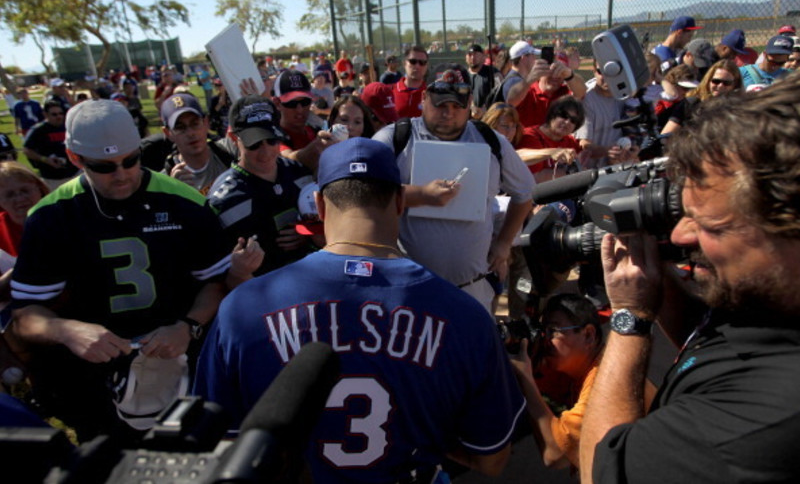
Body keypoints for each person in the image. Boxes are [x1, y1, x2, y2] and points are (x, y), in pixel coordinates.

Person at [194, 137, 525, 483]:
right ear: (400, 201)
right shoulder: (464, 315)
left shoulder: (243, 307)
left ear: (320, 206)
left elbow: (217, 442)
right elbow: (492, 459)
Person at [579, 71, 800, 483]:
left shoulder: (760, 424)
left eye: (711, 226)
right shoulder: (770, 296)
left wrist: (630, 317)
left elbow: (600, 469)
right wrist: (658, 290)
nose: (680, 235)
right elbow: (717, 342)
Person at [7, 99, 231, 442]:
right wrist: (66, 330)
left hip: (180, 361)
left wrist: (187, 327)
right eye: (105, 166)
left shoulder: (184, 202)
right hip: (94, 378)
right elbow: (24, 315)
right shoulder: (51, 216)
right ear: (75, 158)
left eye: (131, 160)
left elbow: (216, 282)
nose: (122, 174)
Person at [373, 65, 534, 309]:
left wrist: (503, 244)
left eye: (457, 106)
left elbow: (525, 193)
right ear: (424, 99)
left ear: (469, 103)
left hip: (473, 287)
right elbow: (364, 196)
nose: (449, 113)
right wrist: (420, 195)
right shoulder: (395, 138)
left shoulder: (492, 141)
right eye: (440, 104)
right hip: (411, 290)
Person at [208, 95, 314, 284]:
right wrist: (238, 271)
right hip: (261, 299)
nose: (265, 152)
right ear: (233, 138)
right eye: (254, 144)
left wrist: (309, 233)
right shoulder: (222, 201)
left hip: (308, 284)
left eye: (272, 140)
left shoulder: (300, 174)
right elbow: (214, 280)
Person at [512, 294, 604, 469]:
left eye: (554, 330)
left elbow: (555, 455)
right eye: (542, 331)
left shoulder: (603, 383)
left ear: (588, 335)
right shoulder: (575, 362)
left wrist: (526, 379)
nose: (545, 339)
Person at [161, 93, 233, 195]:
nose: (190, 133)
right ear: (168, 133)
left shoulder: (228, 152)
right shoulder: (165, 183)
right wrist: (174, 194)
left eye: (195, 124)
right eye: (180, 127)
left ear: (206, 123)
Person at [0, 163, 49, 295]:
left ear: (40, 189)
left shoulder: (66, 219)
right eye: (10, 195)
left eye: (25, 191)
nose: (20, 199)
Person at [661, 59, 743, 135]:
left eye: (727, 83)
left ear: (735, 85)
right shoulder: (691, 103)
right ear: (708, 80)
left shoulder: (739, 109)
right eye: (716, 81)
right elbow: (666, 134)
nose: (720, 86)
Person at [273, 69, 333, 171]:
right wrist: (317, 146)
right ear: (277, 103)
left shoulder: (315, 131)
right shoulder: (273, 138)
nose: (299, 109)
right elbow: (289, 158)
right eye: (291, 103)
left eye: (305, 101)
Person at [518, 96, 585, 183]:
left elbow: (584, 164)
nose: (567, 122)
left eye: (573, 120)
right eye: (564, 115)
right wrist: (574, 172)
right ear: (552, 114)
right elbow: (535, 177)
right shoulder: (531, 136)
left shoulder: (570, 141)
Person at [22, 100, 79, 190]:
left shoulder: (68, 126)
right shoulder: (38, 130)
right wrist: (45, 159)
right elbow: (27, 150)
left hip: (74, 172)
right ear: (45, 114)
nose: (59, 117)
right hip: (52, 177)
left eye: (61, 113)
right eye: (54, 114)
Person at [392, 45, 429, 118]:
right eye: (413, 61)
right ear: (404, 64)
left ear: (426, 66)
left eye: (422, 62)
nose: (417, 66)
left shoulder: (430, 94)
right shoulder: (391, 91)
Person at [465, 43, 501, 117]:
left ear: (483, 56)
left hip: (488, 118)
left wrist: (485, 110)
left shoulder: (493, 73)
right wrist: (472, 107)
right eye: (470, 54)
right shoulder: (462, 75)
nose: (472, 57)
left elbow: (499, 94)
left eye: (476, 54)